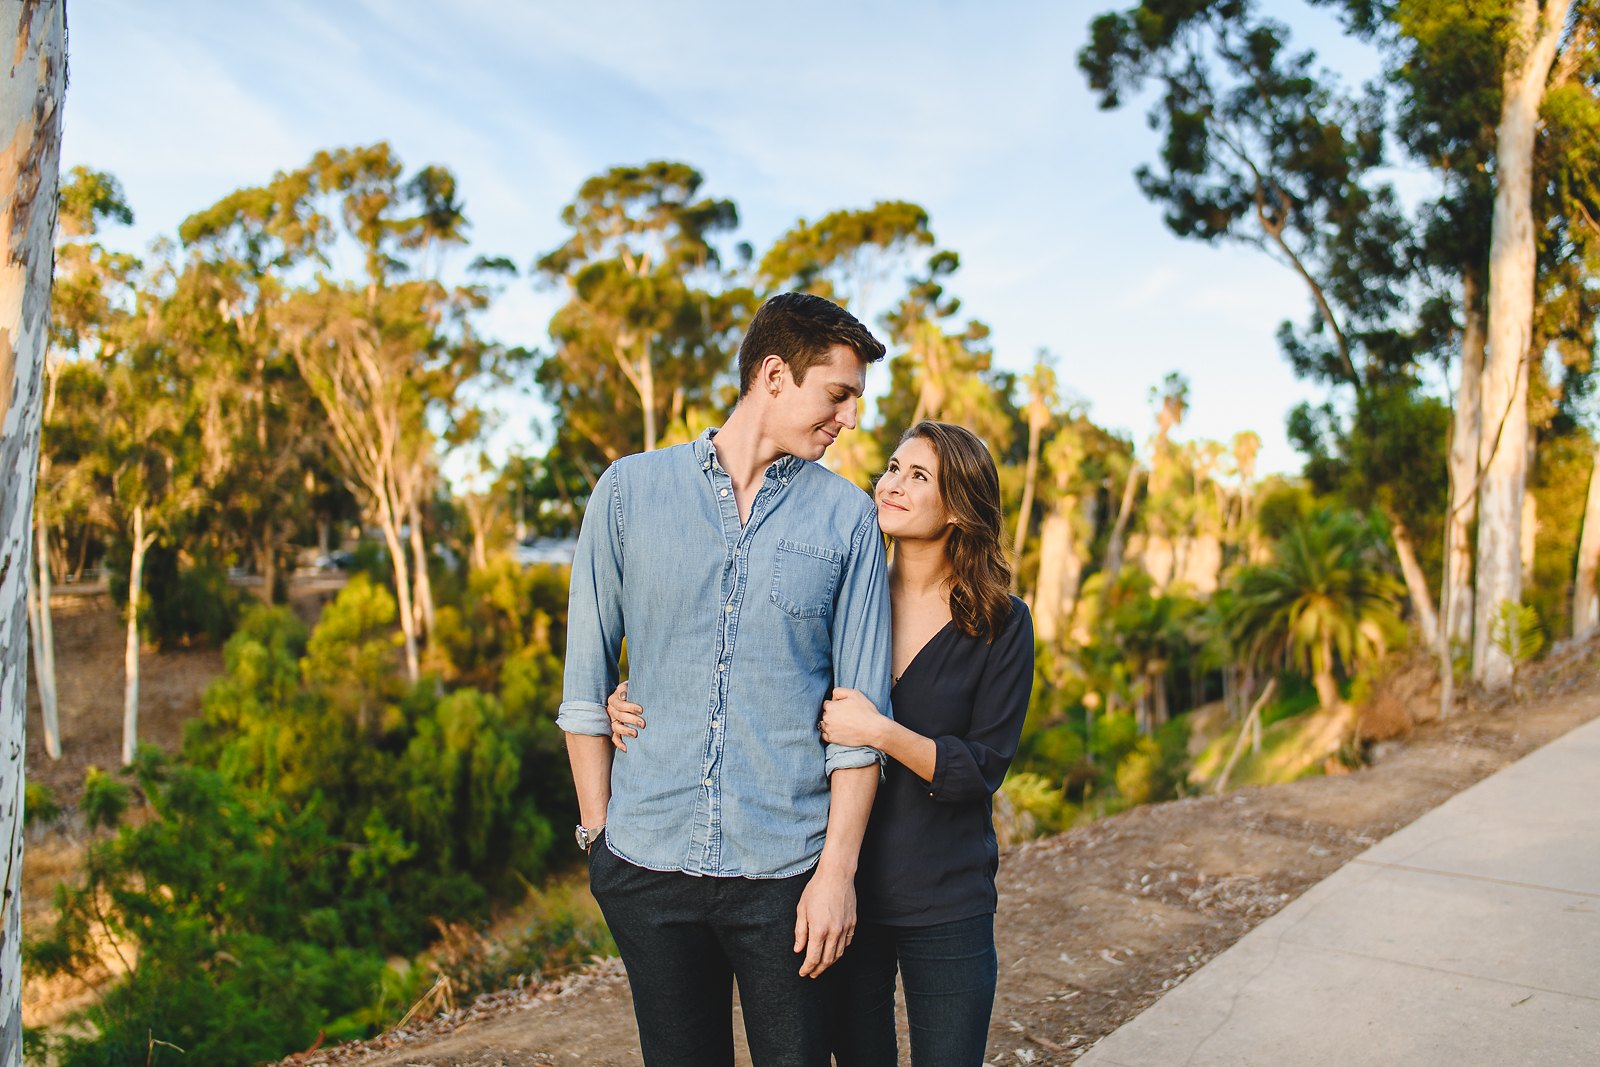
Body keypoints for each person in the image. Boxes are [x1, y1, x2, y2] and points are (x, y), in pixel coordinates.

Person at [612, 420, 1035, 1066]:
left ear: (957, 508)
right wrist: (637, 699)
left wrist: (880, 731)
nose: (891, 484)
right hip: (839, 891)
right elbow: (749, 678)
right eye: (892, 467)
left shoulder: (1002, 622)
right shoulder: (841, 592)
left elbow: (981, 769)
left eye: (918, 476)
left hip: (946, 897)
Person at [557, 291, 895, 1067]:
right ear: (774, 374)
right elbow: (585, 687)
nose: (849, 419)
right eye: (837, 394)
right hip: (644, 862)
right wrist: (599, 838)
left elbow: (861, 721)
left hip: (786, 875)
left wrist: (836, 873)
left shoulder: (847, 519)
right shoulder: (628, 493)